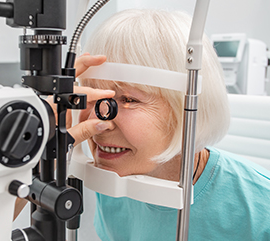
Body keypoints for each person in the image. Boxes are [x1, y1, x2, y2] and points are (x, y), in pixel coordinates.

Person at [68, 9, 270, 241]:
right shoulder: (112, 179)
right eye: (91, 95)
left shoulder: (261, 211)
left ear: (184, 109)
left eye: (128, 100)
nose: (97, 121)